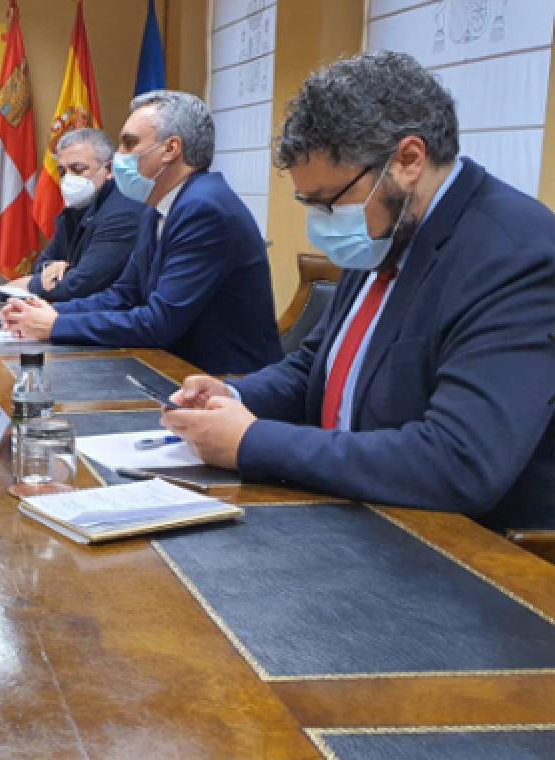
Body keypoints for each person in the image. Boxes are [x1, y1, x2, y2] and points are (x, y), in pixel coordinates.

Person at [162, 52, 555, 532]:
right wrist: (235, 395)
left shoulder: (516, 256)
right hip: (351, 512)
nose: (322, 222)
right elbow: (316, 368)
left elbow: (460, 460)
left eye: (331, 202)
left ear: (409, 160)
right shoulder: (389, 229)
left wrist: (252, 442)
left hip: (464, 549)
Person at [0, 90, 282, 375]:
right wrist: (49, 313)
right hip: (176, 370)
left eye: (129, 143)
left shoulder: (205, 209)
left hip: (225, 382)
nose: (118, 156)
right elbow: (124, 295)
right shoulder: (157, 205)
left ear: (171, 149)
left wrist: (56, 326)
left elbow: (159, 323)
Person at [10, 128, 147, 301]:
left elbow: (81, 285)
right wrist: (57, 268)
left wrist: (30, 284)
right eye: (62, 172)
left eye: (77, 169)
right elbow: (40, 266)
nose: (68, 179)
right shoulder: (74, 210)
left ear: (109, 169)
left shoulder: (122, 212)